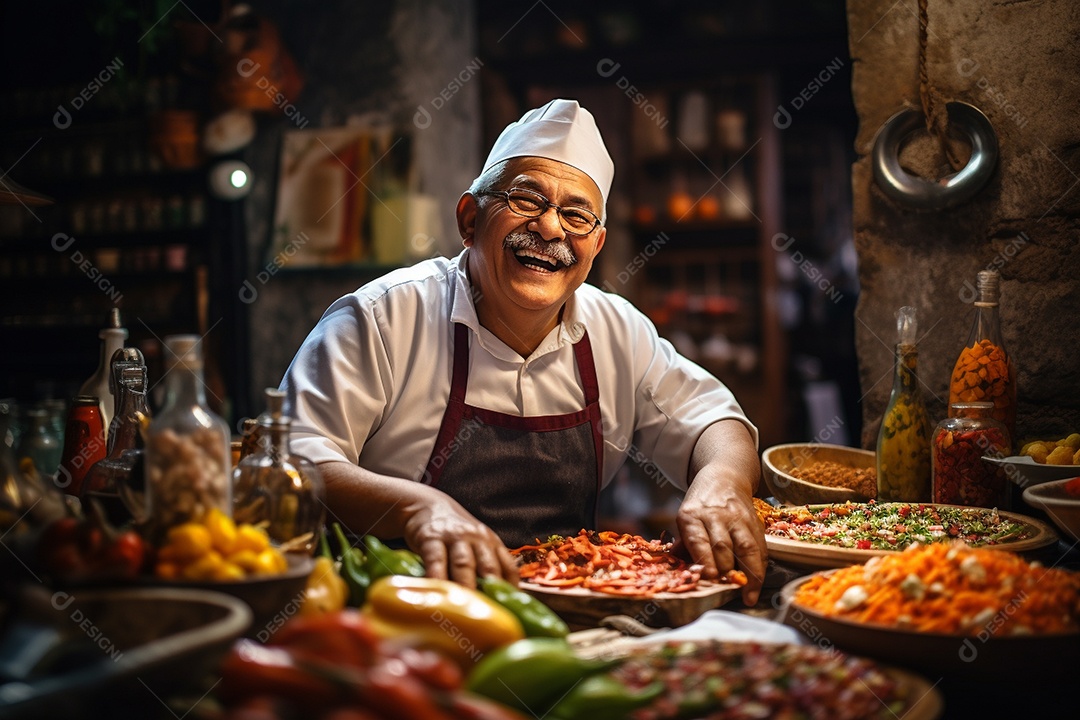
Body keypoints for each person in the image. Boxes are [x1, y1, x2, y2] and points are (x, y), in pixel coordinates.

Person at [281, 99, 766, 604]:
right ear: (470, 219)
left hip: (570, 610)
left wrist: (723, 480)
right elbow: (297, 460)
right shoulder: (382, 318)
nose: (551, 228)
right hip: (397, 615)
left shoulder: (616, 330)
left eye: (576, 215)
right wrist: (417, 509)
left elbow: (713, 420)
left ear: (595, 247)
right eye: (527, 200)